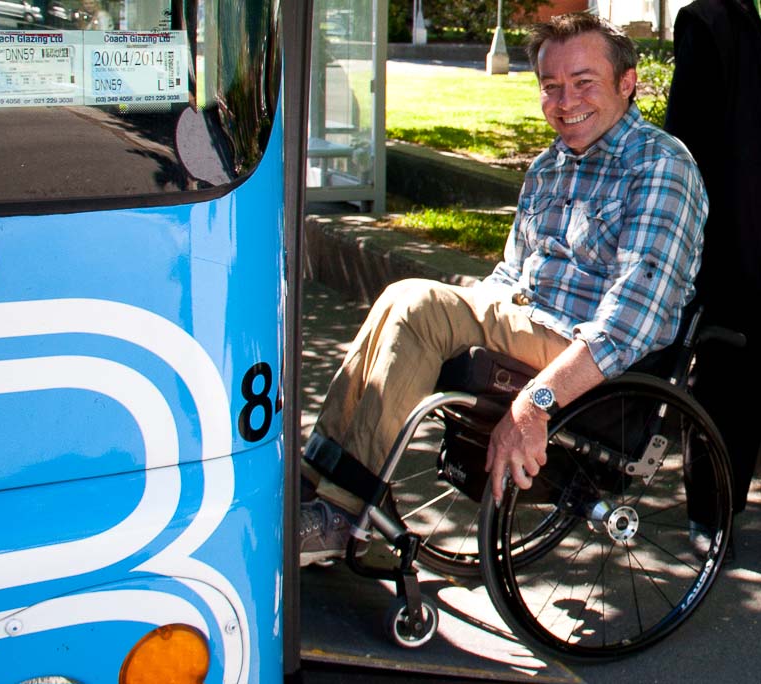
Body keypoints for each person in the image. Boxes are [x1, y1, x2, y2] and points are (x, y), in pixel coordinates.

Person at [299, 12, 709, 567]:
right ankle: (314, 479)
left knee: (420, 306)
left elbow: (630, 324)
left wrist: (538, 400)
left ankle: (344, 513)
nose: (566, 102)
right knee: (402, 300)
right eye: (551, 87)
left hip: (587, 350)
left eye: (584, 83)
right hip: (527, 319)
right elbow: (509, 276)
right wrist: (470, 308)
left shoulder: (659, 166)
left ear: (626, 82)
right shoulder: (548, 166)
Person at [664, 0, 761, 535]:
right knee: (742, 369)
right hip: (745, 232)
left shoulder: (705, 23)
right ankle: (726, 502)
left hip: (722, 233)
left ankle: (712, 507)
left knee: (721, 367)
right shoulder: (734, 25)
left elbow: (685, 137)